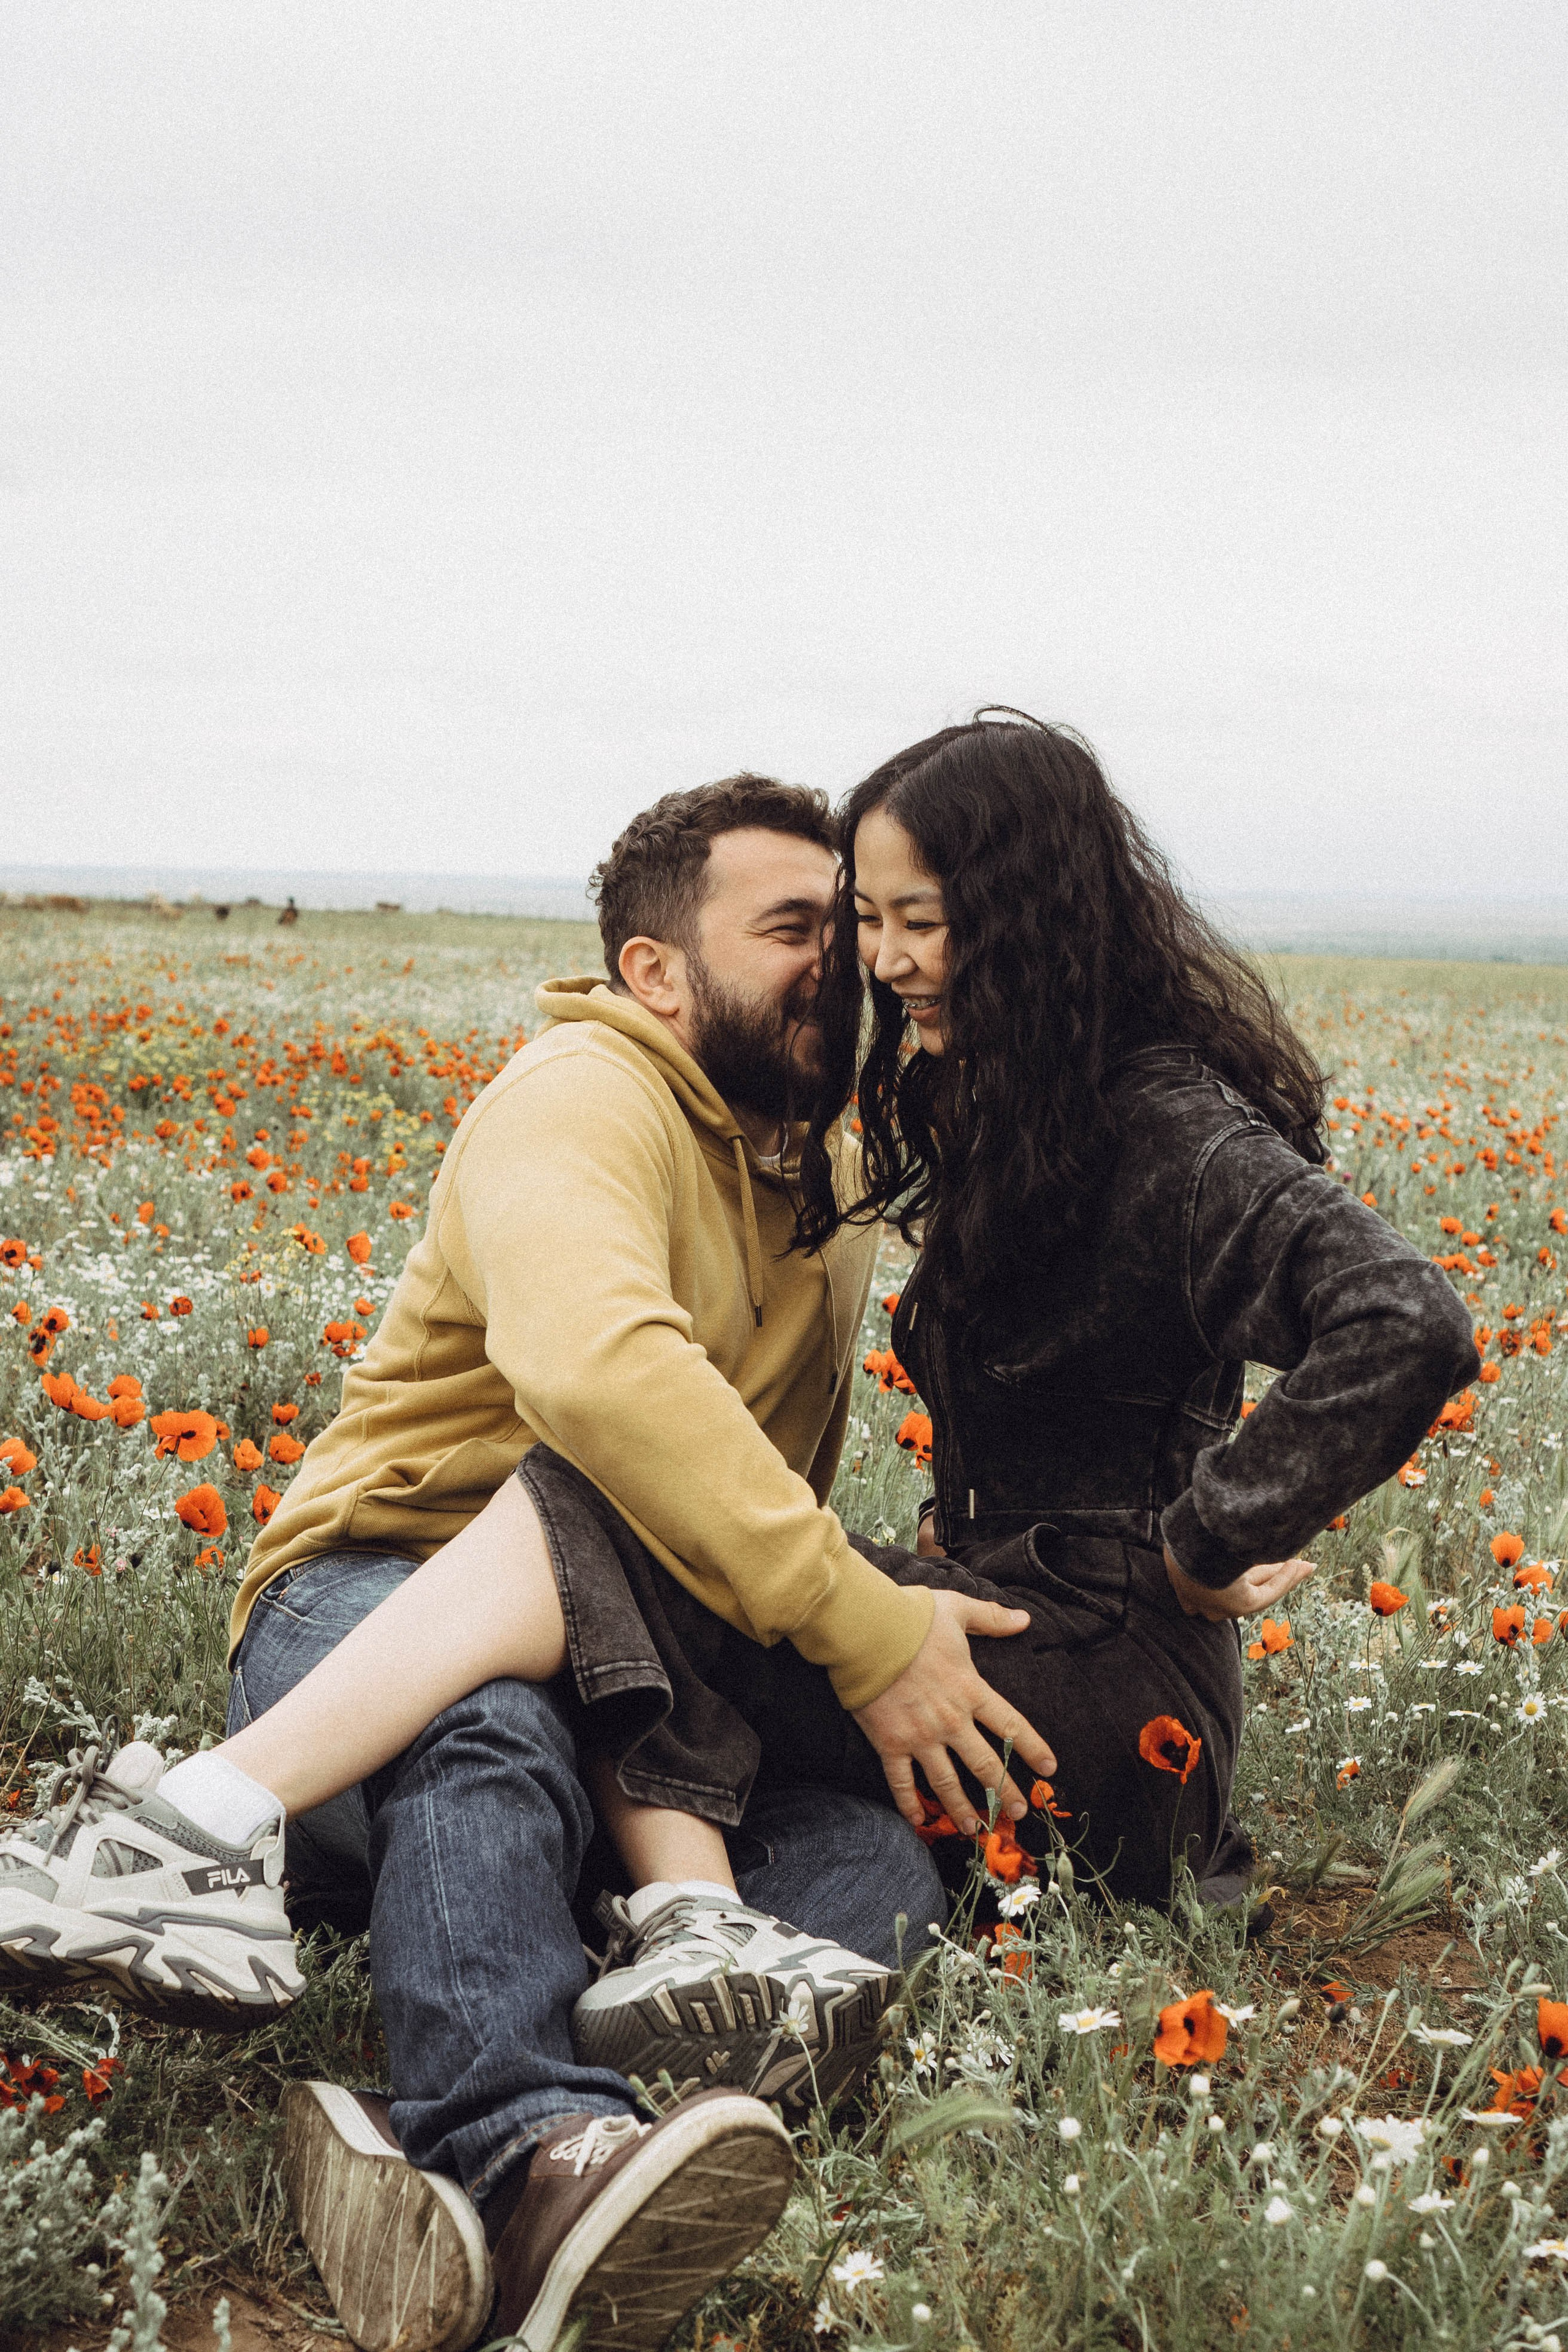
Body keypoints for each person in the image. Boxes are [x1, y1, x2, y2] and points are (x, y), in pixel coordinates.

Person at [0, 774, 1047, 2352]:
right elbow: (599, 1370)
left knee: (864, 1877)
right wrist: (861, 1623)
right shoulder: (582, 1093)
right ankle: (518, 2155)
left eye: (849, 925)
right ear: (655, 972)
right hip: (390, 1607)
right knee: (486, 1725)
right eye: (790, 928)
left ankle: (416, 2111)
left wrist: (1197, 1537)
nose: (838, 959)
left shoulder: (817, 1179)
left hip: (645, 1664)